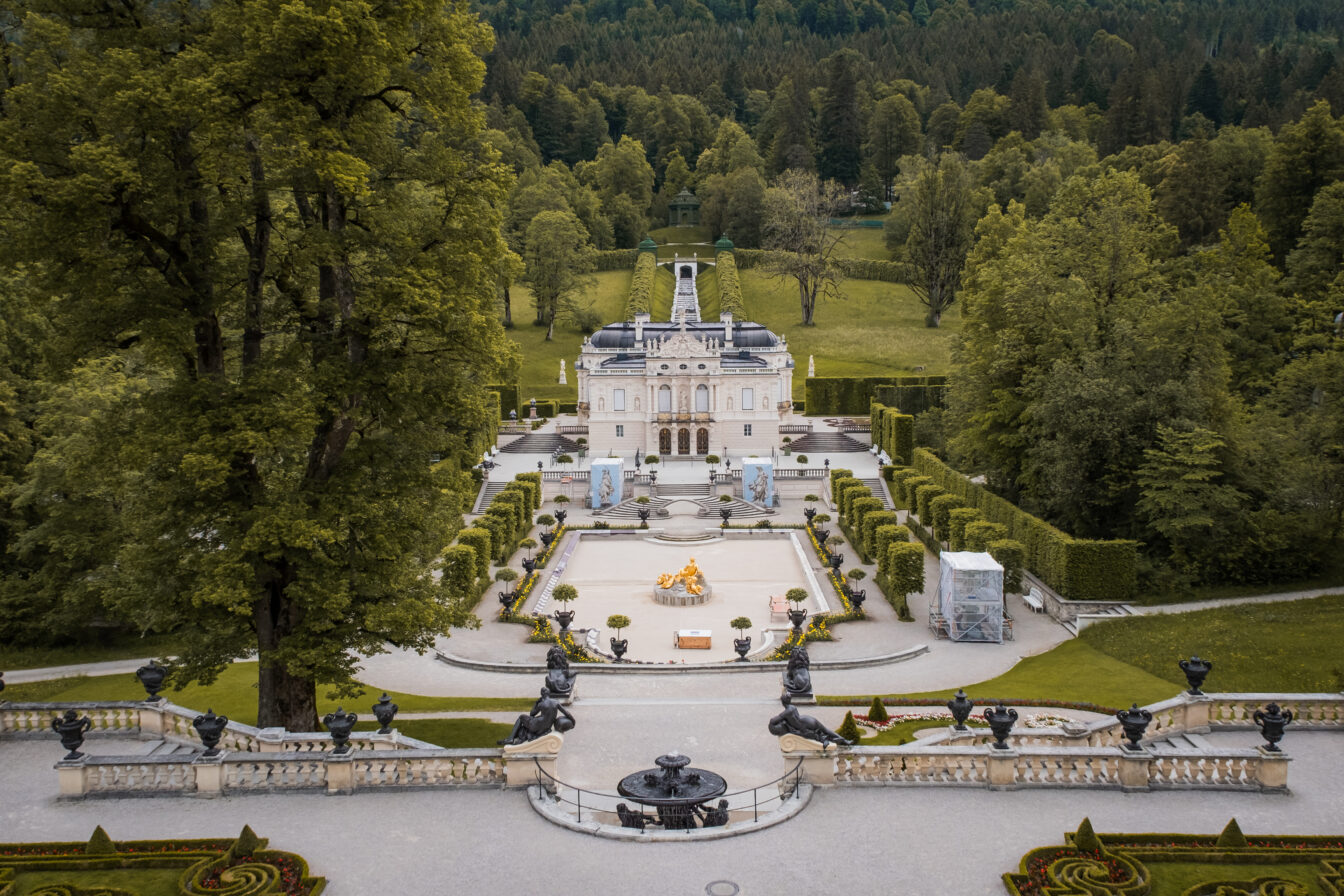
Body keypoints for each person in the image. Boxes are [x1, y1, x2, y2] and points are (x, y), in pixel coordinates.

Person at [767, 693, 851, 748]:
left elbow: (773, 721)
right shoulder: (792, 707)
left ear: (782, 702)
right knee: (825, 729)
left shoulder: (786, 712)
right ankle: (843, 740)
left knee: (818, 735)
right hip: (808, 719)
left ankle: (828, 740)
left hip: (805, 725)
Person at [500, 686, 576, 746]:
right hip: (547, 727)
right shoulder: (556, 702)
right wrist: (573, 721)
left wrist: (536, 703)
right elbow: (567, 713)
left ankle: (511, 738)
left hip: (536, 726)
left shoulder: (541, 704)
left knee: (521, 717)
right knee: (531, 720)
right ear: (549, 693)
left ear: (541, 694)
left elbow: (532, 713)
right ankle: (514, 737)